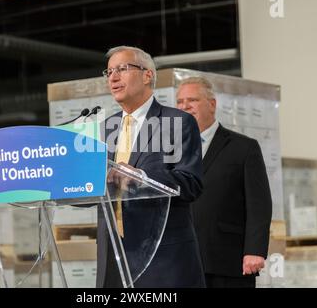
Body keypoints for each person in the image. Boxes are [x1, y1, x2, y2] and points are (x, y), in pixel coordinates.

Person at [97, 46, 205, 288]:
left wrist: (142, 177)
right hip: (113, 256)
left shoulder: (177, 122)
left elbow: (191, 182)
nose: (113, 77)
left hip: (161, 256)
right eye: (109, 71)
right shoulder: (103, 129)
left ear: (147, 75)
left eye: (122, 69)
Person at [176, 76, 273, 288]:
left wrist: (255, 249)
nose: (184, 107)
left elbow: (259, 204)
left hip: (227, 261)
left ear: (212, 104)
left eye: (192, 100)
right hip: (182, 261)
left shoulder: (244, 147)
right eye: (180, 102)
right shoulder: (171, 152)